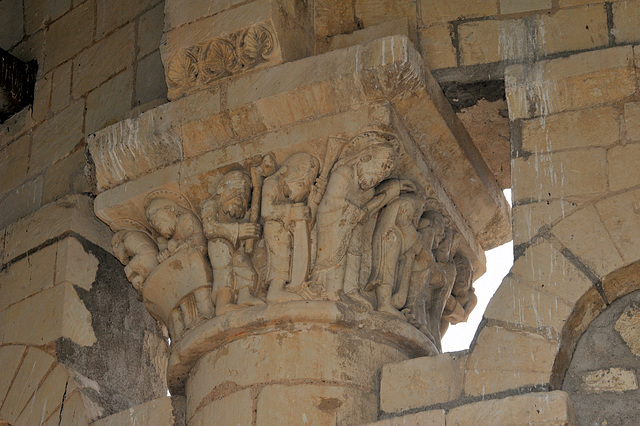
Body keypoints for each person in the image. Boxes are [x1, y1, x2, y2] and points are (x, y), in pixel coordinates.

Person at [201, 170, 264, 315]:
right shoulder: (211, 205)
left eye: (244, 196)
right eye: (235, 190)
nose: (239, 197)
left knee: (245, 266)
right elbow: (209, 228)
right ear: (220, 189)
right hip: (219, 246)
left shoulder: (236, 214)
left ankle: (244, 296)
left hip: (235, 246)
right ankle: (224, 304)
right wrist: (239, 230)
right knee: (226, 274)